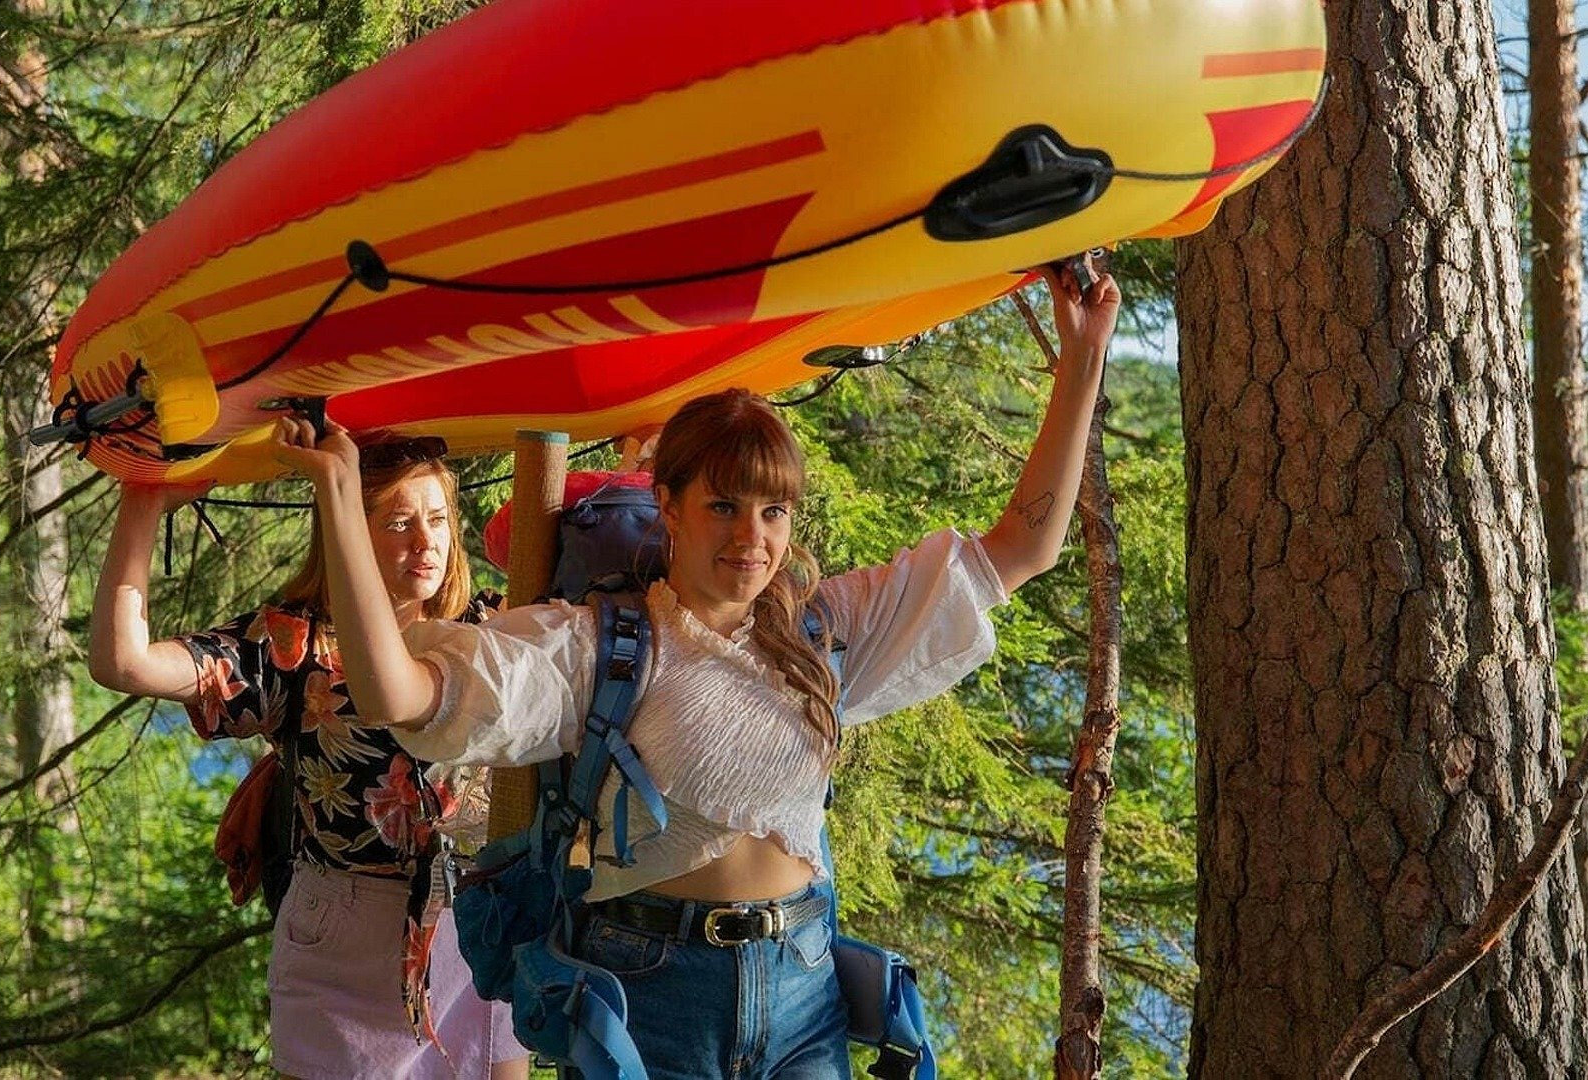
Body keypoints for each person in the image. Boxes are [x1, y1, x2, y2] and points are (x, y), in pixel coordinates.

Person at [277, 267, 1120, 1078]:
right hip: (650, 1003)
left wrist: (1082, 359)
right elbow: (399, 695)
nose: (751, 537)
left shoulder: (825, 629)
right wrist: (341, 500)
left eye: (773, 511)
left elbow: (1023, 546)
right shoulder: (597, 646)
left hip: (805, 991)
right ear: (667, 505)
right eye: (723, 505)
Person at [86, 438, 529, 1080]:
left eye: (437, 519)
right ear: (346, 527)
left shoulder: (494, 629)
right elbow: (122, 663)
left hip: (476, 925)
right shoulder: (294, 645)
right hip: (342, 930)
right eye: (399, 523)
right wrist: (143, 501)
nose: (426, 543)